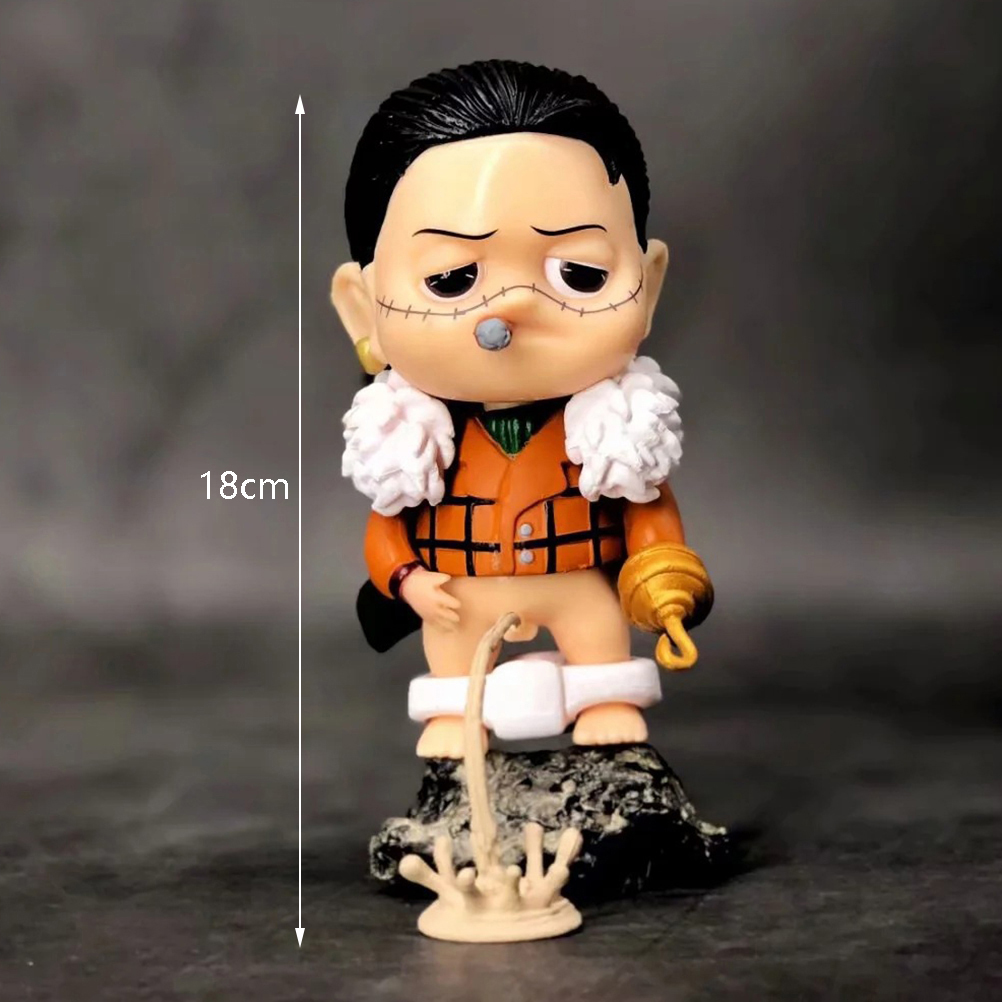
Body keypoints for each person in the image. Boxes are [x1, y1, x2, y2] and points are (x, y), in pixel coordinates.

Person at [332, 61, 712, 759]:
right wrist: (408, 580)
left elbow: (648, 510)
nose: (513, 307)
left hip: (575, 575)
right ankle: (454, 713)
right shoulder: (412, 443)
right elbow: (387, 529)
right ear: (364, 309)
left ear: (648, 286)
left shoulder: (611, 434)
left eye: (580, 274)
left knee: (596, 623)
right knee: (452, 641)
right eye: (451, 279)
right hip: (460, 584)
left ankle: (604, 696)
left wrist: (663, 573)